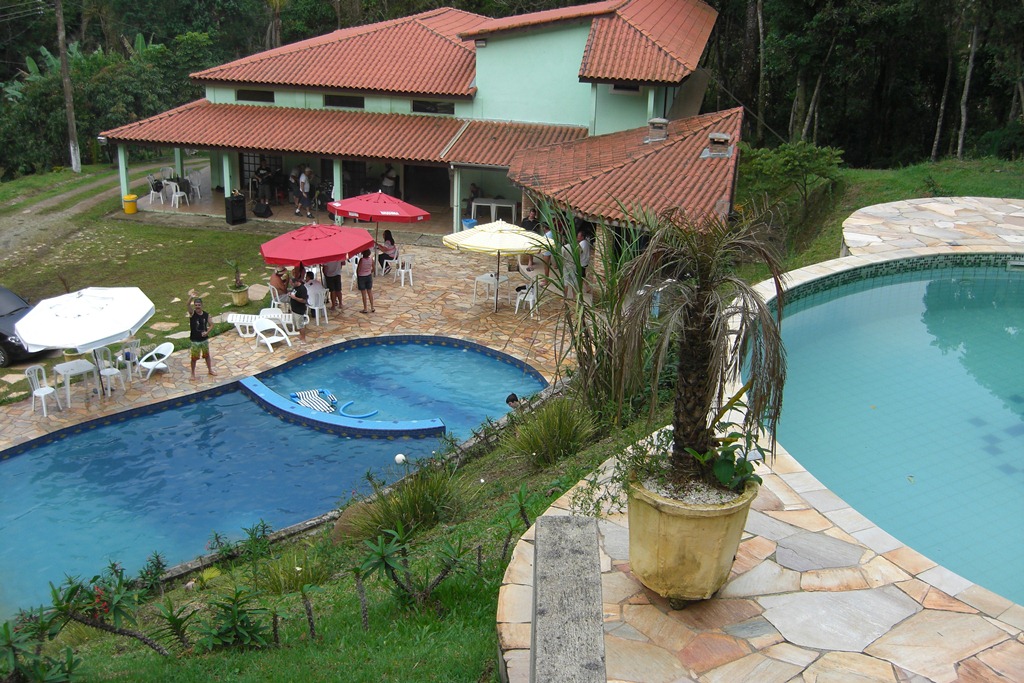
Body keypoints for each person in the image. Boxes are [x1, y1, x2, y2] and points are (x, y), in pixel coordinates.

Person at [187, 290, 216, 380]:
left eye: (199, 305)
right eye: (196, 305)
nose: (197, 307)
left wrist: (207, 332)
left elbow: (211, 325)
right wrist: (191, 297)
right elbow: (187, 305)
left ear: (202, 305)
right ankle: (192, 374)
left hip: (204, 340)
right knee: (194, 358)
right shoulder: (193, 314)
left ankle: (210, 370)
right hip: (195, 340)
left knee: (207, 356)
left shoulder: (206, 315)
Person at [288, 275, 308, 342]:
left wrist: (295, 298)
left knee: (300, 325)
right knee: (296, 325)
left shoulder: (302, 289)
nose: (291, 285)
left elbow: (304, 300)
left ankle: (303, 339)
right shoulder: (295, 287)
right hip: (294, 309)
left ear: (296, 282)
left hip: (299, 310)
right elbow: (294, 294)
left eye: (292, 283)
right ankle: (300, 336)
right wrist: (290, 294)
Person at [356, 248, 375, 313]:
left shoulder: (361, 260)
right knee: (370, 292)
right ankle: (372, 307)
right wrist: (369, 272)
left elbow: (358, 269)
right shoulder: (371, 259)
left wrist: (358, 277)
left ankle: (365, 308)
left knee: (363, 293)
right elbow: (373, 268)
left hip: (362, 277)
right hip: (368, 276)